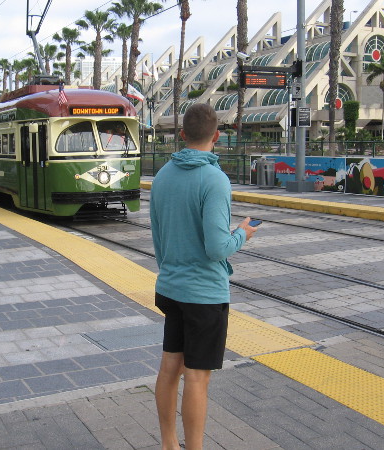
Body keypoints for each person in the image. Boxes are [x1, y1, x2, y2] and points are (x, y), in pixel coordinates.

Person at [150, 103, 258, 450]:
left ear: (182, 135)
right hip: (204, 296)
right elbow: (216, 247)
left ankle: (169, 444)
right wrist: (242, 233)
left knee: (170, 367)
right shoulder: (214, 179)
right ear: (217, 136)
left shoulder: (163, 175)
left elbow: (158, 239)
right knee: (197, 376)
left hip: (170, 287)